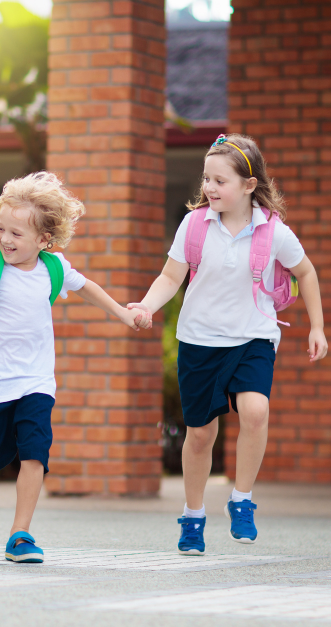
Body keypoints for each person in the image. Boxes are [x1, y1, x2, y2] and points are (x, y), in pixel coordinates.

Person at [0, 172, 145, 563]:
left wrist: (122, 313)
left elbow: (85, 286)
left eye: (16, 234)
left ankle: (20, 535)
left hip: (35, 382)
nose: (4, 239)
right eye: (2, 228)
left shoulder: (52, 269)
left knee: (35, 454)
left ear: (44, 240)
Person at [128, 133, 327, 555]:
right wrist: (146, 306)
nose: (210, 188)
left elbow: (306, 273)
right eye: (207, 179)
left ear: (249, 185)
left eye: (220, 181)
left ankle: (241, 500)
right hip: (199, 340)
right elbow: (170, 277)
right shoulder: (194, 226)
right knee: (201, 434)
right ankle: (193, 515)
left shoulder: (273, 232)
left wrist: (317, 327)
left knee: (256, 410)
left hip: (254, 335)